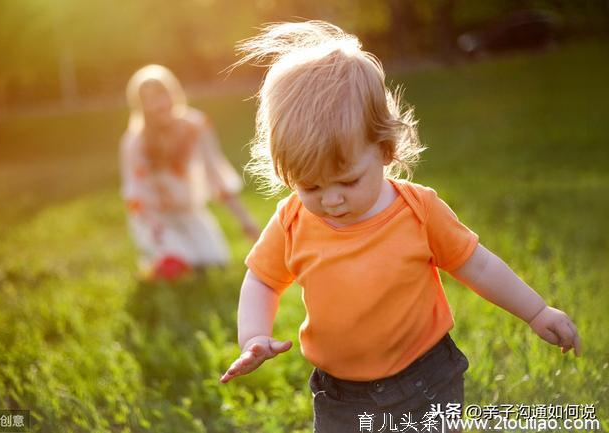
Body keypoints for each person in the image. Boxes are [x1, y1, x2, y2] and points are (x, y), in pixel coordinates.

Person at [218, 21, 581, 432]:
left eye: (348, 181)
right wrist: (253, 336)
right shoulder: (292, 219)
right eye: (310, 186)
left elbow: (476, 265)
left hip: (425, 379)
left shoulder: (418, 210)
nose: (332, 199)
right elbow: (263, 280)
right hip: (341, 396)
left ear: (385, 149)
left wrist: (535, 311)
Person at [120, 64, 259, 280]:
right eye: (148, 99)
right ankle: (155, 259)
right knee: (181, 268)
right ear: (139, 105)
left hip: (190, 212)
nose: (158, 104)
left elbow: (216, 174)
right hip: (157, 218)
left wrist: (245, 220)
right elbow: (134, 192)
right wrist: (153, 228)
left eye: (161, 94)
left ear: (173, 93)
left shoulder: (197, 125)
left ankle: (170, 257)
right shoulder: (134, 142)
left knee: (214, 262)